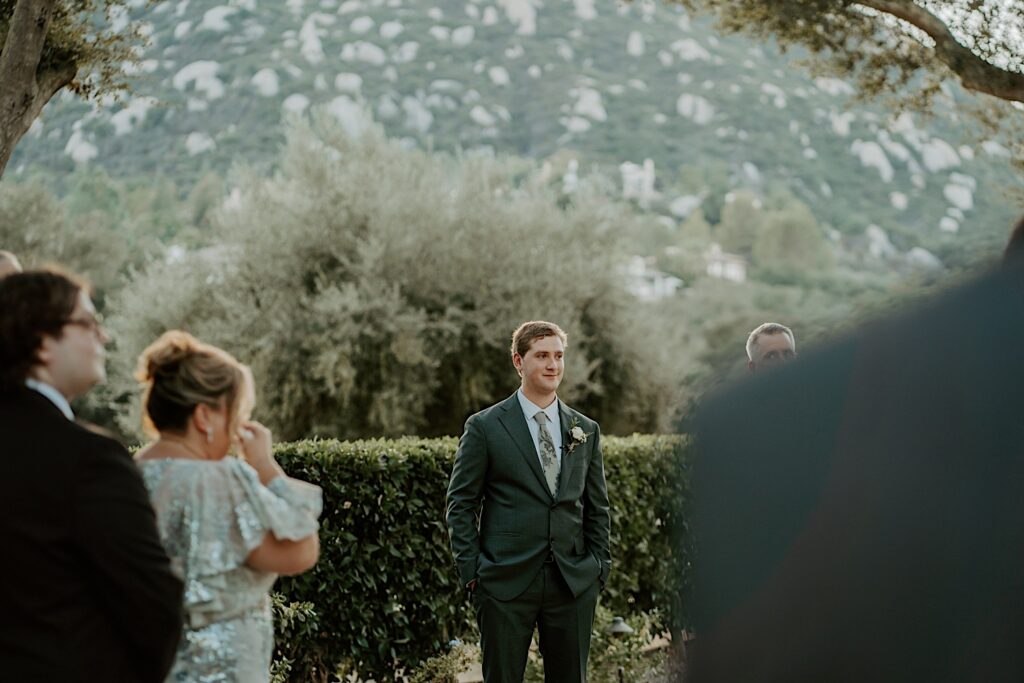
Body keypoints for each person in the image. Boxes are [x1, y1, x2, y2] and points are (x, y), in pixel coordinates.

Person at [690, 259, 1024, 682]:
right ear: (755, 367)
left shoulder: (837, 414)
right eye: (772, 357)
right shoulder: (741, 431)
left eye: (788, 354)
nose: (782, 362)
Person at [0, 269, 183, 682]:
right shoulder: (88, 459)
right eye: (87, 323)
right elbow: (153, 606)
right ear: (42, 342)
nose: (103, 337)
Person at [134, 330, 321, 682]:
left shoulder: (129, 475)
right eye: (237, 414)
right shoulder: (217, 480)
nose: (238, 429)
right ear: (204, 417)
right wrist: (265, 466)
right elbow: (301, 551)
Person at [446, 321, 612, 682]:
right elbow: (460, 503)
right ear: (518, 361)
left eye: (558, 356)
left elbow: (597, 506)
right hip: (504, 583)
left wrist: (598, 568)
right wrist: (473, 574)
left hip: (572, 583)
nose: (553, 365)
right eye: (542, 356)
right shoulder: (485, 427)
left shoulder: (586, 429)